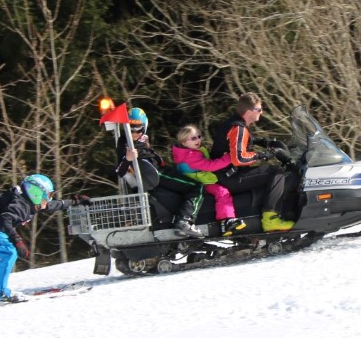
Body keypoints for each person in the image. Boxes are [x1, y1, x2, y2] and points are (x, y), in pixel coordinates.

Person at [0, 174, 90, 306]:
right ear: (36, 193)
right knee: (7, 253)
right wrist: (17, 241)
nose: (49, 198)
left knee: (4, 254)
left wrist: (74, 202)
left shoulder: (29, 200)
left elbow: (51, 205)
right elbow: (4, 220)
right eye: (48, 195)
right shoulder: (21, 205)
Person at [208, 93, 297, 232]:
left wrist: (263, 142)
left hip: (225, 174)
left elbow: (241, 142)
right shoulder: (239, 129)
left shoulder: (234, 123)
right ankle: (270, 218)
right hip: (230, 177)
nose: (261, 112)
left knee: (267, 170)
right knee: (276, 171)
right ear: (249, 112)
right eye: (259, 109)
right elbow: (239, 158)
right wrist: (265, 155)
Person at [114, 106, 205, 238]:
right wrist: (128, 159)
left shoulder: (141, 139)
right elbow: (120, 171)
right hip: (155, 174)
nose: (134, 133)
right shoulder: (124, 143)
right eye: (131, 129)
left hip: (158, 170)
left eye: (138, 129)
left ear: (144, 127)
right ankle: (184, 221)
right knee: (197, 186)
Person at [171, 124, 246, 237]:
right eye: (193, 138)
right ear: (184, 142)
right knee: (222, 192)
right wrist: (231, 157)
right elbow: (210, 166)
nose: (198, 140)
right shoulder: (189, 156)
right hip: (201, 184)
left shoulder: (190, 152)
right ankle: (226, 221)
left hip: (201, 181)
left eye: (199, 136)